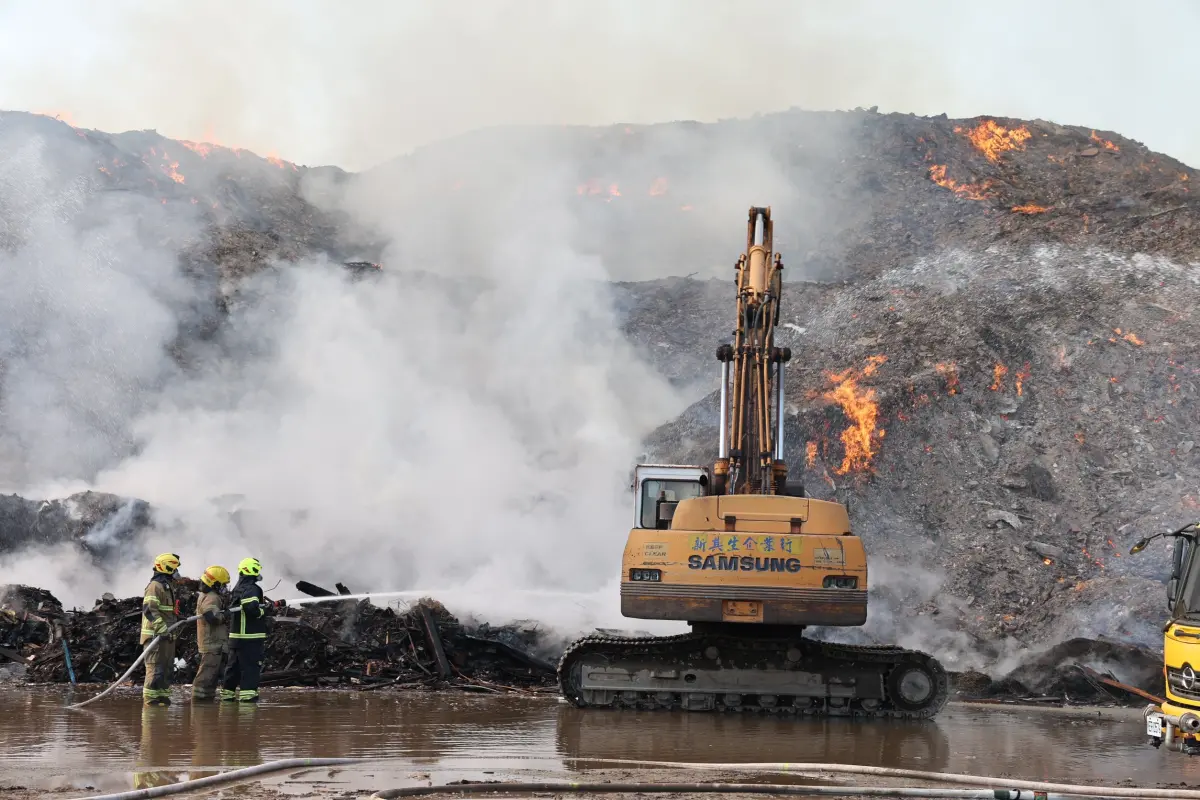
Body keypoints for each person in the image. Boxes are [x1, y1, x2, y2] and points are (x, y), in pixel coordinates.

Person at [220, 557, 284, 702]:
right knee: (250, 668)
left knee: (233, 668)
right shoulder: (253, 589)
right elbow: (250, 608)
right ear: (252, 570)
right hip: (250, 637)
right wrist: (264, 612)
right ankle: (248, 700)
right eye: (257, 570)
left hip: (236, 638)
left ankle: (227, 696)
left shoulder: (238, 588)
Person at [140, 552, 181, 706]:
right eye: (174, 568)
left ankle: (162, 697)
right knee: (154, 668)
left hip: (167, 635)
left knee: (167, 668)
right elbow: (149, 610)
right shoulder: (155, 586)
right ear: (167, 568)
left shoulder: (167, 586)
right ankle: (150, 701)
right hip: (155, 636)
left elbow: (167, 611)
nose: (177, 572)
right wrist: (162, 628)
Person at [192, 565, 231, 701]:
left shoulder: (205, 595)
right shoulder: (212, 598)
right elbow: (211, 617)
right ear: (214, 583)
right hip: (212, 644)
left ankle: (205, 707)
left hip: (211, 643)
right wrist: (225, 615)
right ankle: (199, 707)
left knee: (210, 677)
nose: (224, 587)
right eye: (222, 584)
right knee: (206, 677)